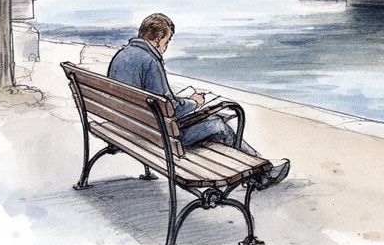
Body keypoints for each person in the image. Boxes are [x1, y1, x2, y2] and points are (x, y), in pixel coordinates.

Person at [107, 13, 290, 190]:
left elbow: (155, 101)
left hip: (129, 127)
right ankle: (261, 173)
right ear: (158, 38)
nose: (166, 47)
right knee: (218, 124)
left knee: (212, 121)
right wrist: (194, 102)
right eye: (167, 41)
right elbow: (170, 109)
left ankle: (256, 168)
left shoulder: (121, 56)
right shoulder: (150, 62)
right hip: (159, 137)